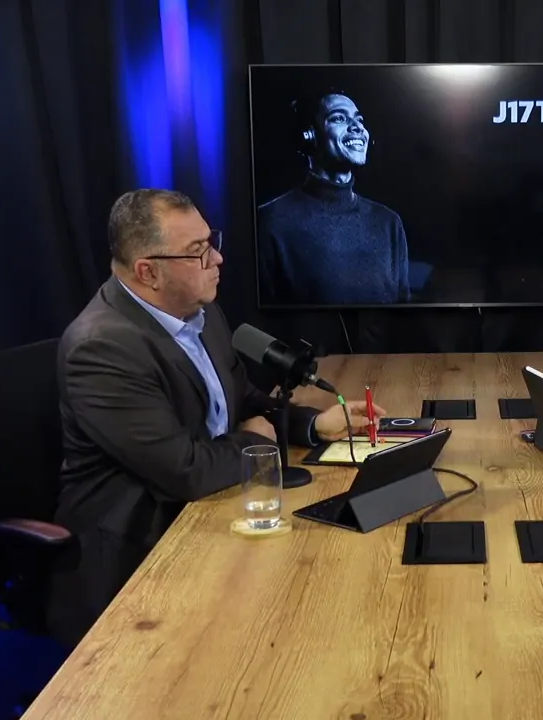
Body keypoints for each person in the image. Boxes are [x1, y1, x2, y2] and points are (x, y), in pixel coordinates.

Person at [47, 189, 385, 647]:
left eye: (212, 241)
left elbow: (241, 399)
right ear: (149, 272)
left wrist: (310, 425)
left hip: (212, 505)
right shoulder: (102, 348)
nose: (218, 259)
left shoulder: (201, 312)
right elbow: (185, 471)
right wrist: (254, 443)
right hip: (141, 545)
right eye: (198, 251)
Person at [256, 90, 411, 305]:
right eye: (339, 118)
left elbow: (403, 314)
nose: (358, 128)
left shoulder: (388, 223)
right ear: (309, 136)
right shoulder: (270, 221)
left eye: (359, 120)